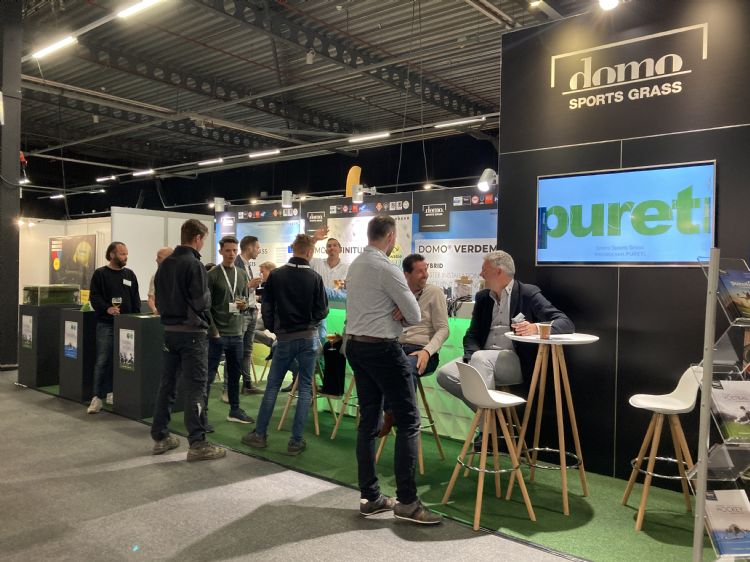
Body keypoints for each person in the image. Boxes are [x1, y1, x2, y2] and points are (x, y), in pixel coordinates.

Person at [344, 215, 442, 525]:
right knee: (409, 421)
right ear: (390, 238)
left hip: (356, 347)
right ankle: (408, 502)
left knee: (368, 421)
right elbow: (414, 315)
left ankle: (371, 497)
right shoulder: (387, 268)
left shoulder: (356, 265)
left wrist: (395, 308)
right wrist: (399, 308)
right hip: (382, 349)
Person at [436, 250, 574, 414]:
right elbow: (472, 335)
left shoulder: (527, 293)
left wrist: (535, 328)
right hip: (480, 358)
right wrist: (470, 357)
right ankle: (491, 419)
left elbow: (565, 323)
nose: (481, 274)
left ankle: (486, 427)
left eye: (485, 270)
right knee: (445, 374)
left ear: (498, 271)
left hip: (514, 361)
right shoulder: (483, 298)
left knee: (481, 359)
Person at [242, 234, 328, 456]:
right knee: (305, 388)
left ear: (293, 249)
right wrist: (310, 323)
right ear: (309, 252)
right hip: (308, 337)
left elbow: (267, 306)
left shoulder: (277, 275)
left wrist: (275, 329)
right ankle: (295, 441)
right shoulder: (315, 278)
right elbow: (322, 310)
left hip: (285, 338)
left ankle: (260, 434)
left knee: (272, 386)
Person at [150, 219, 226, 462]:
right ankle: (198, 443)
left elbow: (158, 299)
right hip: (192, 334)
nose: (203, 244)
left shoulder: (165, 264)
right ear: (197, 238)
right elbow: (202, 302)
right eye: (203, 240)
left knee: (167, 384)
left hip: (169, 332)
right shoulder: (194, 264)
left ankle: (160, 436)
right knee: (196, 388)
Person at [380, 253, 449, 437]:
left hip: (423, 352)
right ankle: (394, 415)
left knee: (401, 367)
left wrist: (427, 351)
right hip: (398, 347)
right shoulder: (398, 294)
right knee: (380, 363)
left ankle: (400, 418)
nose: (425, 274)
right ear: (406, 274)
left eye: (426, 270)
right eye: (420, 271)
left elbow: (444, 329)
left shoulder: (434, 292)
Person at [86, 241, 140, 414]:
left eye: (126, 254)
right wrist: (107, 308)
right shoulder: (100, 274)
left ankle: (113, 392)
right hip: (106, 324)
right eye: (122, 254)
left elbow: (135, 298)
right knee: (103, 360)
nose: (125, 257)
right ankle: (96, 398)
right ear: (112, 255)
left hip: (127, 326)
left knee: (123, 361)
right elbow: (94, 297)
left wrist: (136, 318)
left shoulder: (130, 274)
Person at [206, 236, 255, 425]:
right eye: (228, 250)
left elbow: (242, 300)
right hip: (217, 335)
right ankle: (202, 415)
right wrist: (214, 331)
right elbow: (206, 307)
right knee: (209, 376)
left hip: (236, 334)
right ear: (221, 251)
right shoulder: (212, 275)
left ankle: (234, 410)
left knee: (235, 375)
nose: (231, 254)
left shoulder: (241, 274)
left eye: (234, 250)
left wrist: (243, 307)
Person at [235, 235, 264, 395]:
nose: (259, 251)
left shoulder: (247, 265)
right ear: (250, 247)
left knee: (247, 351)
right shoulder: (236, 264)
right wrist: (248, 286)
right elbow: (232, 291)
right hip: (242, 313)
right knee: (236, 350)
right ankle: (230, 387)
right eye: (257, 247)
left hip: (252, 311)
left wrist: (253, 288)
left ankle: (247, 385)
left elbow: (247, 289)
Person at [147, 247, 173, 314]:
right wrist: (155, 309)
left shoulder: (179, 275)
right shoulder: (155, 276)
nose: (156, 260)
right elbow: (151, 298)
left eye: (159, 257)